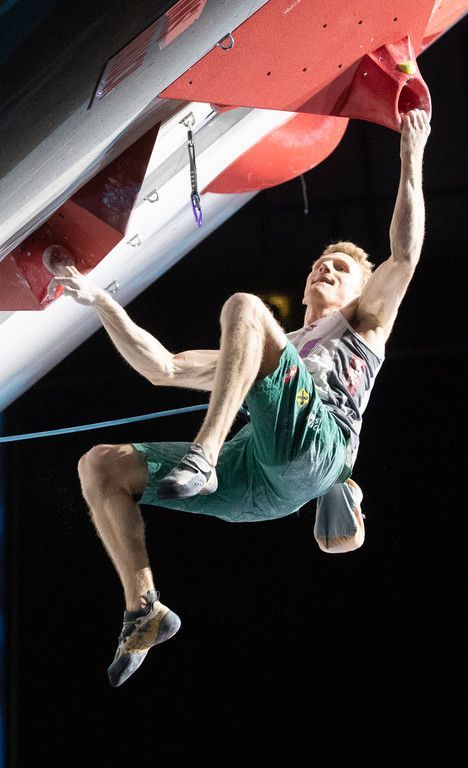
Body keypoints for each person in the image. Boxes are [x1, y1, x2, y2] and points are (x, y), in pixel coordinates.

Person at [51, 108, 431, 686]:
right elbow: (163, 368)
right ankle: (142, 608)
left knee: (246, 307)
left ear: (364, 290)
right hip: (257, 484)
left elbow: (403, 257)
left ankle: (205, 455)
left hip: (319, 446)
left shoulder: (365, 324)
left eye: (341, 268)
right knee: (99, 465)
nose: (324, 268)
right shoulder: (262, 347)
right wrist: (99, 299)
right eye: (319, 264)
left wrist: (411, 154)